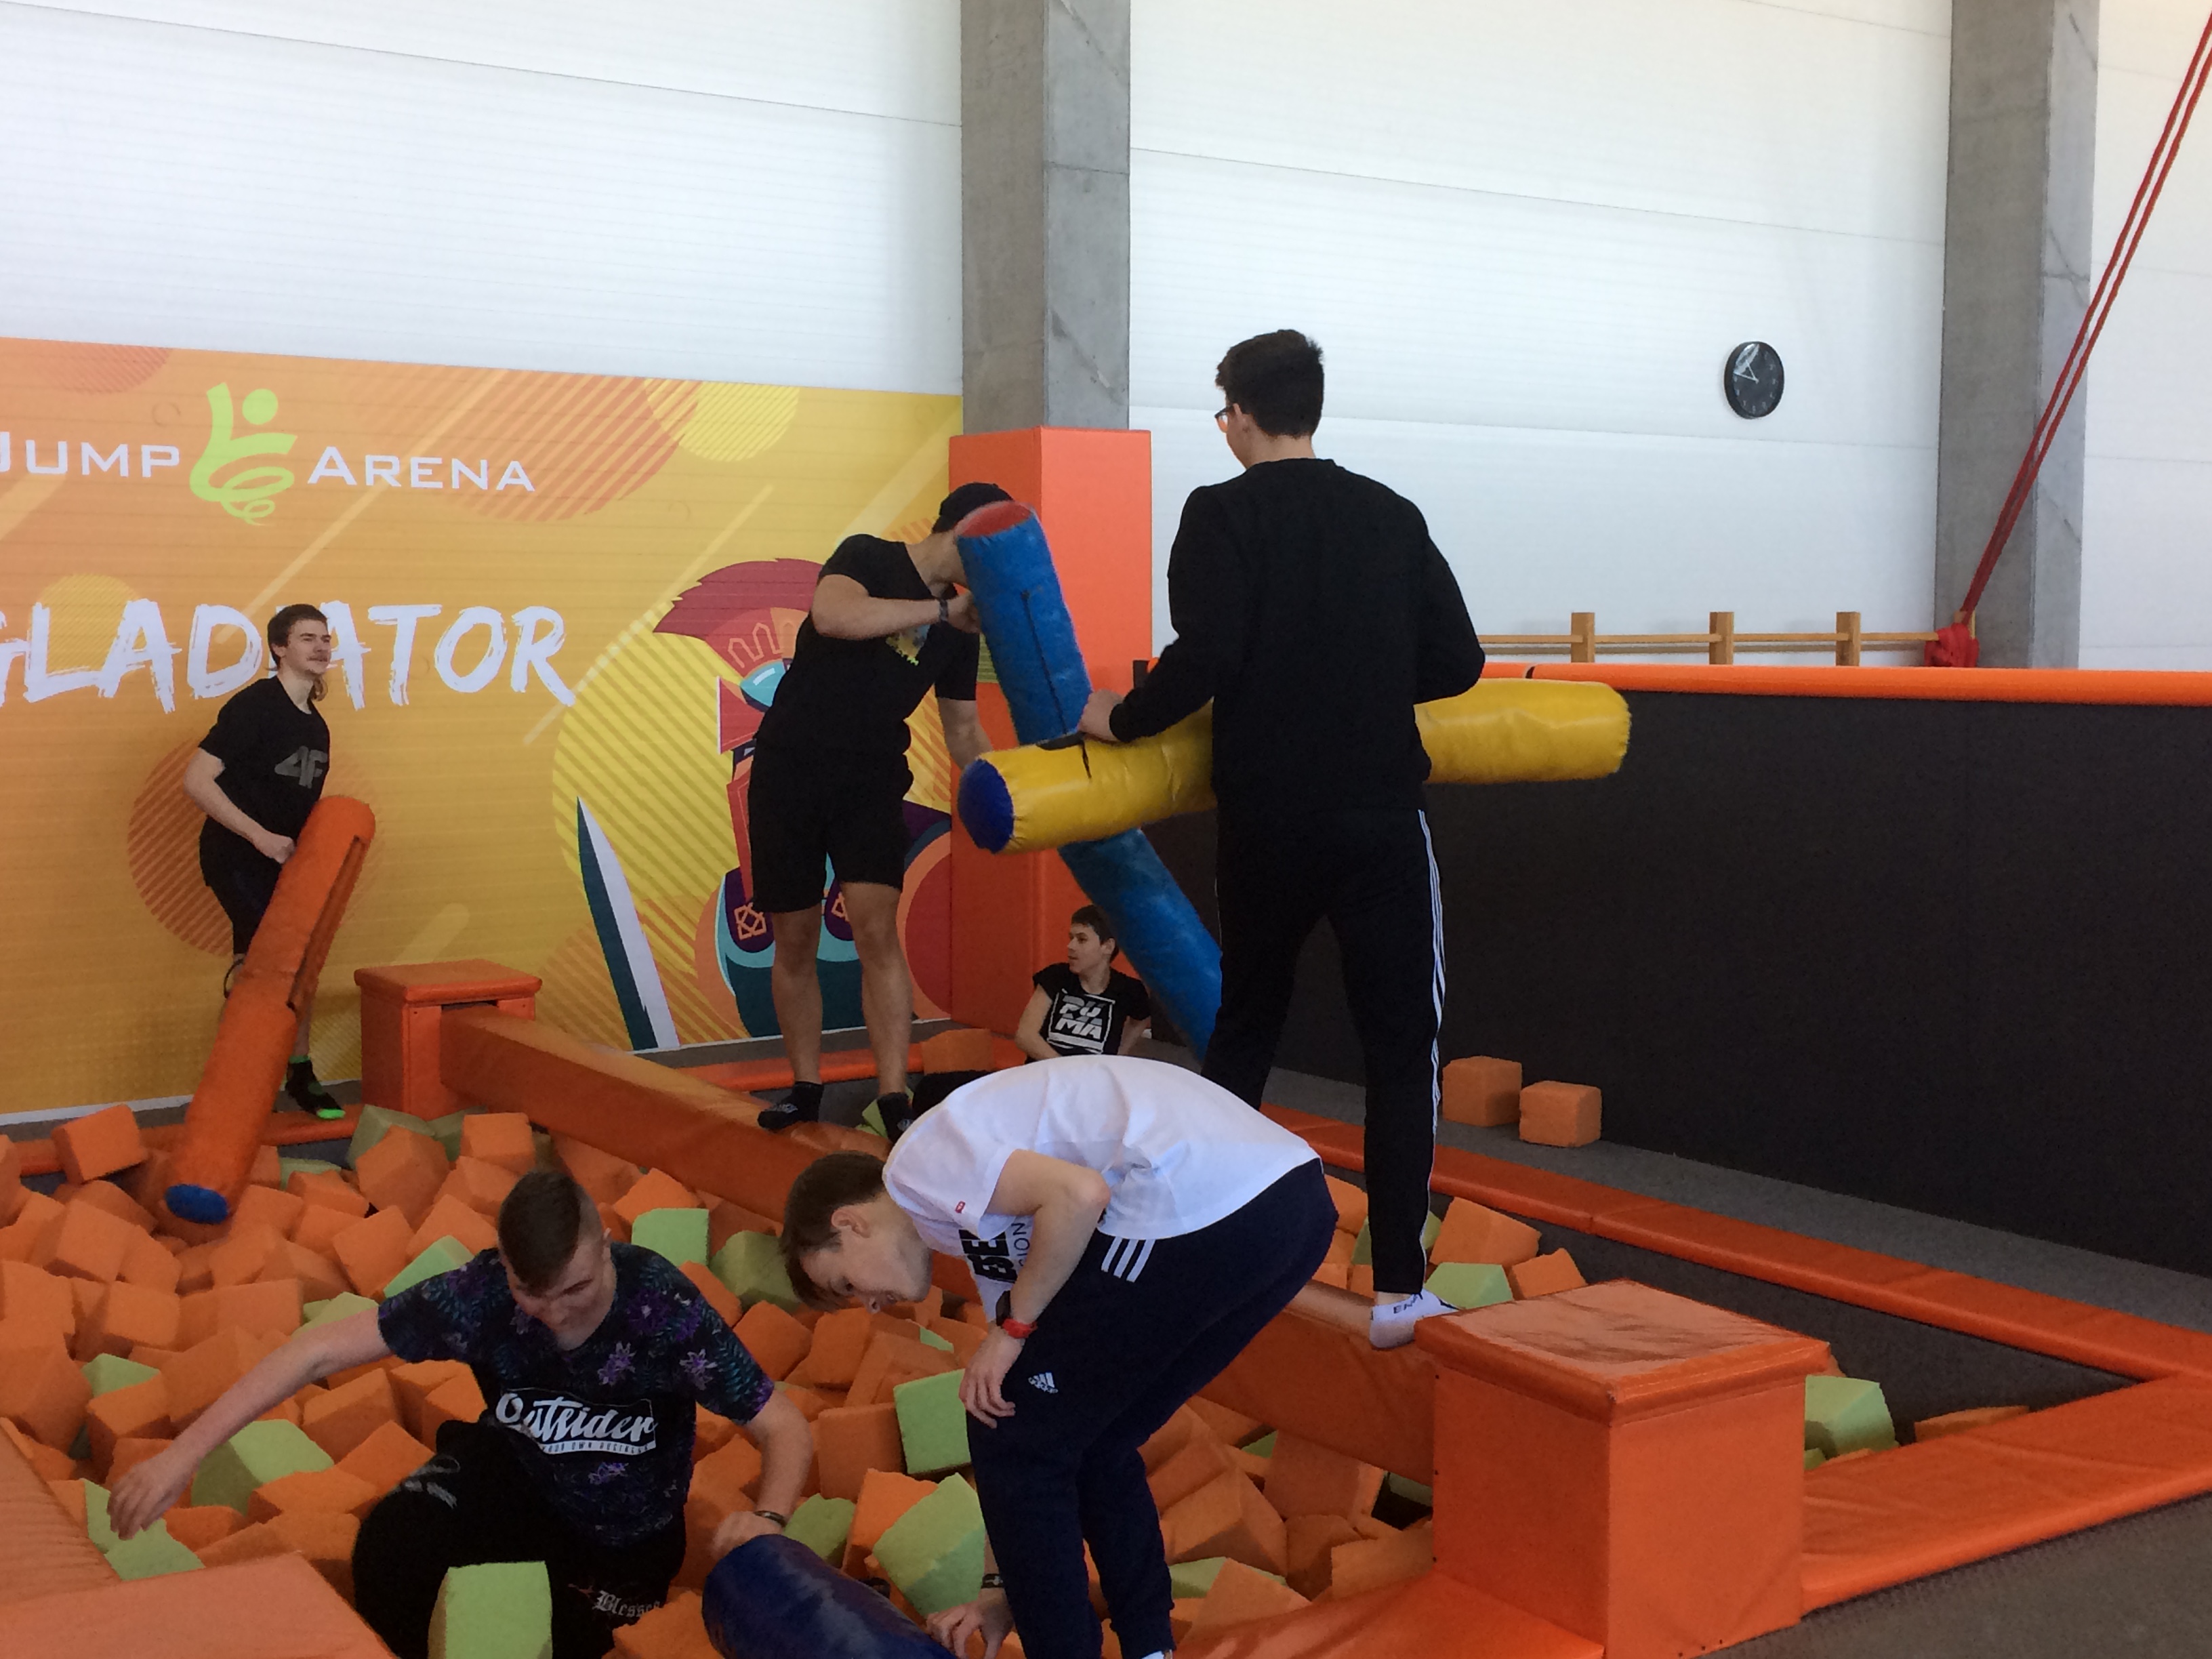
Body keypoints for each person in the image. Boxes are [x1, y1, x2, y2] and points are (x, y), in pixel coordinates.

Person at [1076, 331, 1486, 1351]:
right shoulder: (1390, 513)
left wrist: (1123, 719)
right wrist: (1365, 679)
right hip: (1379, 818)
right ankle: (1401, 1290)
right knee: (1402, 1050)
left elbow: (1206, 654)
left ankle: (1198, 1255)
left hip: (1267, 817)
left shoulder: (1219, 513)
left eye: (1224, 412)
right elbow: (1460, 659)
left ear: (1244, 415)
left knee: (1248, 1027)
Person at [110, 1170, 813, 1659]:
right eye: (531, 1292)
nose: (554, 1313)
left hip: (622, 1535)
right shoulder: (481, 1296)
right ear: (503, 1265)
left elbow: (782, 1426)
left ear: (605, 1245)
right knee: (391, 1544)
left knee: (545, 1641)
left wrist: (770, 1518)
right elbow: (315, 1351)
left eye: (575, 1289)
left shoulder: (662, 1307)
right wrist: (181, 1456)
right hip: (514, 1476)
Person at [779, 1055, 1335, 1659]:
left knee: (1017, 1430)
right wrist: (1001, 1588)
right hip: (1294, 1206)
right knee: (1090, 1435)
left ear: (850, 1224)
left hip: (1204, 1201)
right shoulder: (964, 1216)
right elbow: (1018, 1403)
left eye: (845, 1284)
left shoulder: (917, 1166)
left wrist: (1012, 1330)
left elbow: (1079, 1194)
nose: (868, 1305)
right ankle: (1150, 1647)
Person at [747, 483, 1005, 1136]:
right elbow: (834, 616)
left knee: (876, 932)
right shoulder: (868, 555)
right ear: (960, 533)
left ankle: (893, 1096)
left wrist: (1018, 790)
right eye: (988, 550)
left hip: (869, 777)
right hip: (789, 766)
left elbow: (964, 732)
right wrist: (941, 612)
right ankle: (805, 1088)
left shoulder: (960, 628)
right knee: (795, 937)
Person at [181, 602, 346, 1117]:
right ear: (279, 647)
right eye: (307, 638)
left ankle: (294, 1070)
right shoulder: (255, 706)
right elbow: (196, 780)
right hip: (237, 856)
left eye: (325, 638)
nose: (320, 647)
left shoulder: (317, 727)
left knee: (294, 966)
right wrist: (259, 837)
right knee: (271, 968)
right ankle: (241, 1083)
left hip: (283, 864)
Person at [1014, 905, 1151, 1062]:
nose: (1071, 946)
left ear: (1107, 947)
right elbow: (1025, 1036)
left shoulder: (1129, 990)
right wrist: (1066, 1068)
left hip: (1092, 1075)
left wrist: (1117, 1056)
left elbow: (1140, 1019)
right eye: (1071, 938)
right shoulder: (1056, 977)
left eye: (1082, 940)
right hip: (1049, 1071)